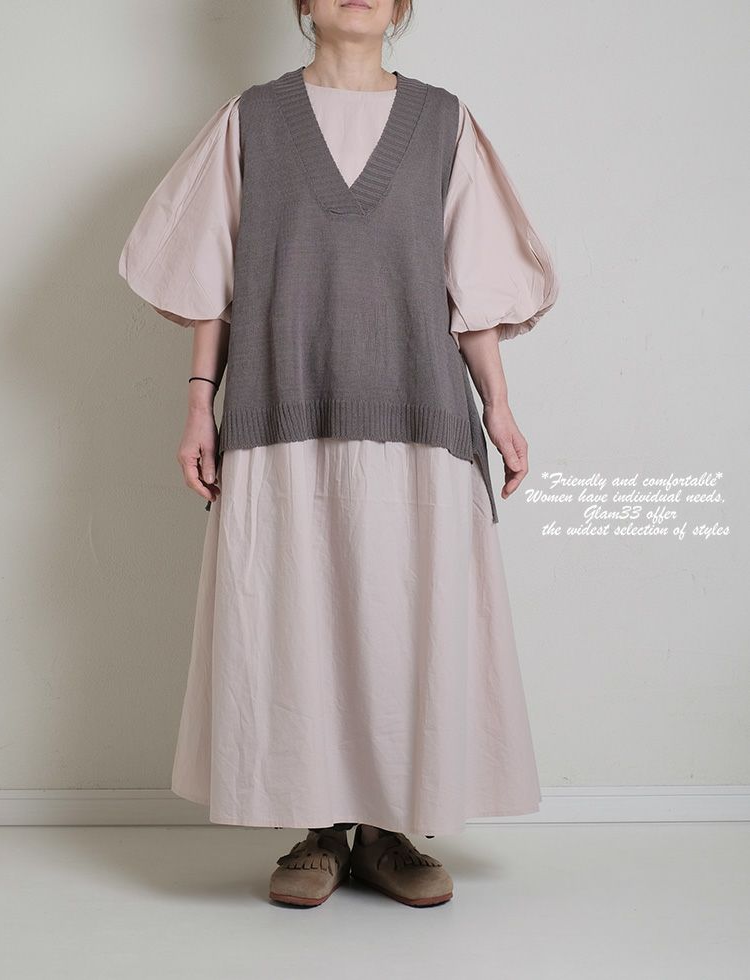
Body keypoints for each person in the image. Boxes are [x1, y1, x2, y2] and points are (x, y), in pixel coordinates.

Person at [118, 0, 558, 909]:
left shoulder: (443, 122)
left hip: (416, 415)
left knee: (401, 620)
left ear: (401, 7)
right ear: (302, 4)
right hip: (284, 410)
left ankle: (389, 830)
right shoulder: (252, 120)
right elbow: (211, 277)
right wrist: (198, 403)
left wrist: (500, 407)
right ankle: (318, 828)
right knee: (296, 620)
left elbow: (473, 284)